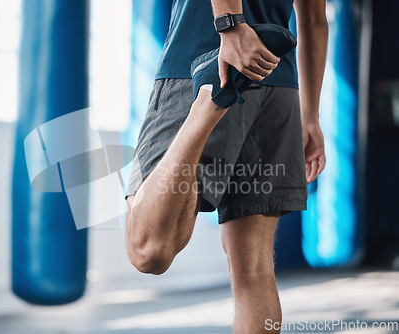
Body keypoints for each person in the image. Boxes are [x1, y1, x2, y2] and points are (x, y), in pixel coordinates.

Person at [124, 0, 328, 332]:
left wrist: (230, 26)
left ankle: (210, 99)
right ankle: (214, 92)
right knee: (255, 269)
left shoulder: (223, 38)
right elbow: (315, 19)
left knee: (148, 249)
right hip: (278, 85)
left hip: (210, 56)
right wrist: (310, 116)